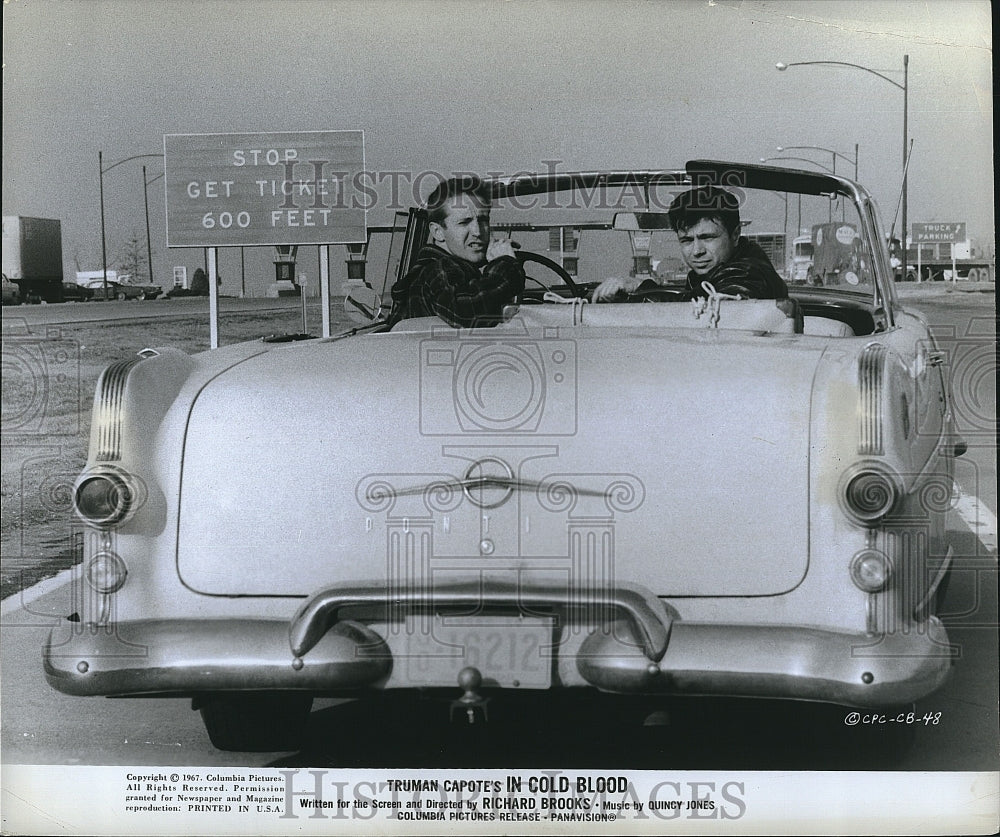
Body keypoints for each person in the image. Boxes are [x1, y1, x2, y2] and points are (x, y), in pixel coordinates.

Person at [592, 185, 788, 302]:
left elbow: (698, 309)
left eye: (707, 238)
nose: (697, 251)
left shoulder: (748, 274)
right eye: (686, 240)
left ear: (735, 235)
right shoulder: (716, 271)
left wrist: (640, 287)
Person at [388, 177, 526, 327]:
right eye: (464, 222)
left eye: (483, 220)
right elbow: (467, 312)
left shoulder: (448, 270)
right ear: (438, 232)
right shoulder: (438, 270)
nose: (477, 232)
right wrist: (504, 264)